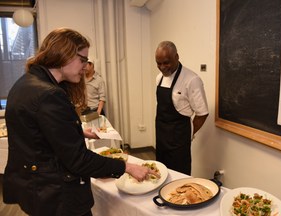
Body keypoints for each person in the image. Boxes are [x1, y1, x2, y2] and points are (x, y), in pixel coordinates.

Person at [3, 28, 158, 216]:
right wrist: (128, 166)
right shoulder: (50, 94)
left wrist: (75, 131)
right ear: (64, 54)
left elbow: (37, 133)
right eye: (82, 60)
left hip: (34, 188)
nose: (85, 66)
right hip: (56, 195)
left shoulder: (25, 83)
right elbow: (78, 160)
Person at [155, 41, 209, 175]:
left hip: (179, 139)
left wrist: (188, 134)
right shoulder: (159, 78)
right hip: (161, 135)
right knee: (161, 172)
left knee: (179, 176)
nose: (162, 67)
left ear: (177, 57)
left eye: (166, 62)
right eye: (158, 63)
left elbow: (202, 113)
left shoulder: (192, 80)